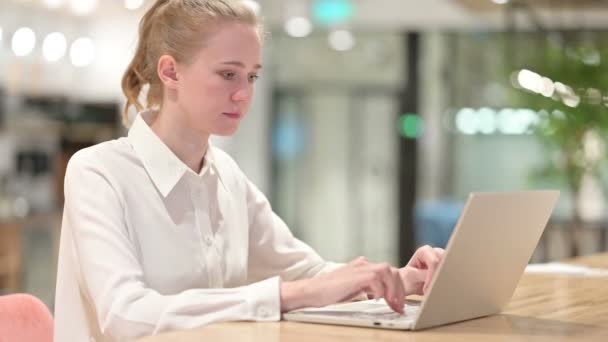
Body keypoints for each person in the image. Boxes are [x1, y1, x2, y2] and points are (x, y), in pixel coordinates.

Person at [53, 0, 444, 341]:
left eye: (251, 76)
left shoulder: (225, 175)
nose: (243, 94)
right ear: (171, 72)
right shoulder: (98, 172)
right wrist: (287, 294)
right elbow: (126, 316)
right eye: (227, 74)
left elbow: (306, 271)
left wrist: (398, 278)